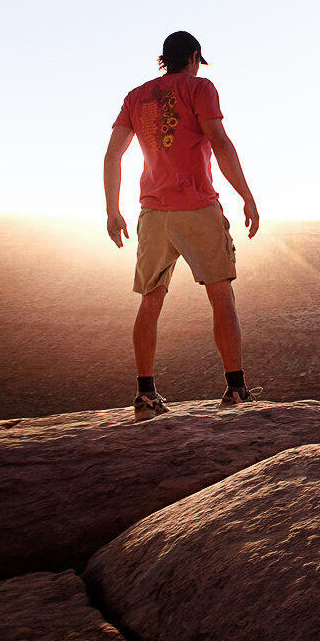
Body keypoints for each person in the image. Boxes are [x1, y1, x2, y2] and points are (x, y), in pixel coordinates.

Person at [103, 31, 261, 422]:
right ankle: (236, 388)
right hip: (197, 207)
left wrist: (112, 210)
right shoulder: (200, 87)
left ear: (164, 59)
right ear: (193, 57)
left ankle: (145, 394)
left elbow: (113, 154)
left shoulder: (136, 96)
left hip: (153, 212)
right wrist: (247, 196)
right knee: (220, 294)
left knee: (150, 299)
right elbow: (220, 143)